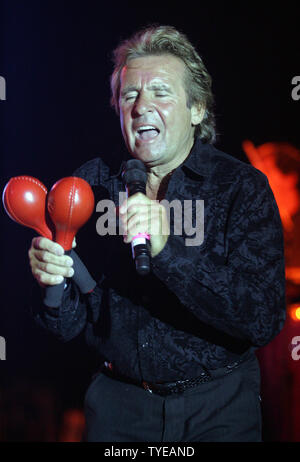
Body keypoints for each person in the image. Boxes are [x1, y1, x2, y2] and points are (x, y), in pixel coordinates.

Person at [28, 25, 286, 442]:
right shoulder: (88, 188)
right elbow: (66, 326)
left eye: (161, 92)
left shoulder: (240, 187)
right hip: (119, 408)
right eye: (129, 95)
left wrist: (170, 250)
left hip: (218, 406)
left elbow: (262, 318)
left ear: (197, 109)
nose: (142, 106)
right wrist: (51, 284)